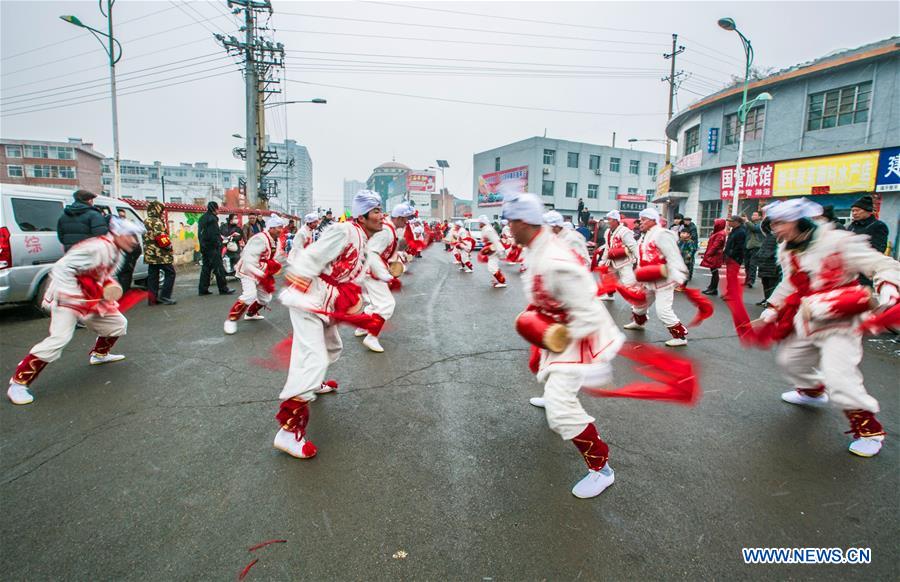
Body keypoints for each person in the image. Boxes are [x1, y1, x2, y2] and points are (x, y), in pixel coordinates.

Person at [750, 199, 899, 457]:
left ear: (801, 221)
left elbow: (883, 264)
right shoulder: (787, 248)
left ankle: (869, 430)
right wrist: (772, 309)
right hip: (807, 317)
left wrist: (888, 288)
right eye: (773, 224)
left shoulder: (840, 242)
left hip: (840, 320)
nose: (775, 229)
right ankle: (812, 392)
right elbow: (790, 283)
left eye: (780, 223)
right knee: (790, 360)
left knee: (838, 376)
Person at [505, 192, 623, 499]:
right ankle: (554, 393)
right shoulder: (535, 248)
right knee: (545, 375)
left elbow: (586, 312)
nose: (507, 228)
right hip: (560, 330)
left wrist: (556, 338)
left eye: (510, 221)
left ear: (523, 222)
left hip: (578, 336)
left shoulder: (555, 260)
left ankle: (602, 470)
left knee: (561, 411)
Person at [275, 191, 384, 459]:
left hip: (326, 302)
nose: (382, 216)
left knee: (332, 349)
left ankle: (316, 382)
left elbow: (356, 277)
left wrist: (357, 299)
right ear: (363, 215)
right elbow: (312, 257)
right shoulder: (345, 230)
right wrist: (300, 287)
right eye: (377, 211)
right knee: (312, 360)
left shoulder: (364, 239)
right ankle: (288, 432)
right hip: (309, 300)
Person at [7, 218, 144, 405]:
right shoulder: (96, 247)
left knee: (117, 324)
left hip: (89, 298)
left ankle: (99, 355)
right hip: (66, 298)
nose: (134, 241)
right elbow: (61, 268)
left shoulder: (115, 251)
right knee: (59, 339)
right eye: (131, 236)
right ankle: (19, 383)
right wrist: (74, 296)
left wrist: (107, 287)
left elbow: (102, 275)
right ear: (118, 234)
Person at [623, 207, 690, 347]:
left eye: (643, 220)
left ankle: (680, 337)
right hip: (648, 279)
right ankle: (639, 323)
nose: (640, 222)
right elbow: (643, 257)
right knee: (639, 304)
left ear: (653, 220)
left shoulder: (661, 234)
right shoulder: (645, 235)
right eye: (640, 219)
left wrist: (679, 277)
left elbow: (674, 256)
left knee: (663, 310)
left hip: (663, 280)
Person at [356, 202, 411, 352]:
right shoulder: (386, 230)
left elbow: (380, 252)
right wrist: (385, 276)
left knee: (376, 303)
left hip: (370, 270)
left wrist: (398, 257)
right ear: (399, 218)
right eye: (406, 218)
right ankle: (371, 337)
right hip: (372, 271)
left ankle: (362, 327)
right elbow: (372, 253)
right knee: (386, 304)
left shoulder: (388, 228)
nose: (407, 221)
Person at [224, 215, 286, 334]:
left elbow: (279, 257)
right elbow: (247, 259)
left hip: (262, 272)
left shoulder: (275, 240)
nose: (281, 230)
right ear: (271, 228)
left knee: (266, 298)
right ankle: (231, 320)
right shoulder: (260, 239)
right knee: (249, 295)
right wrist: (259, 273)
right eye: (279, 227)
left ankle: (250, 313)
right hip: (248, 270)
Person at [598, 210, 638, 301]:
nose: (608, 221)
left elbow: (633, 246)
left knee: (628, 282)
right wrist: (603, 261)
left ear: (616, 220)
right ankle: (610, 295)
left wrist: (639, 259)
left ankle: (637, 302)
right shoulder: (607, 232)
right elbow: (607, 248)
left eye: (610, 219)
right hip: (613, 260)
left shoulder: (624, 231)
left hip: (625, 260)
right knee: (608, 278)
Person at [143, 201, 176, 305]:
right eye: (161, 210)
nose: (162, 212)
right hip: (160, 254)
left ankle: (152, 299)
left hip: (150, 253)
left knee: (153, 276)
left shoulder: (146, 221)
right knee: (170, 273)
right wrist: (169, 246)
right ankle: (165, 296)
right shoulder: (157, 222)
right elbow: (161, 237)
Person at [198, 201, 234, 296]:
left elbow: (200, 234)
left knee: (206, 268)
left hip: (204, 247)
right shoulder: (212, 219)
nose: (218, 210)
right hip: (212, 248)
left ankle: (203, 289)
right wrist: (218, 245)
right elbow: (213, 235)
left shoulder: (202, 218)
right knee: (219, 268)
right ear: (214, 209)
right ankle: (223, 289)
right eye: (217, 208)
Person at [751, 218, 781, 306]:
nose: (772, 226)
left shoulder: (780, 236)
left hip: (772, 265)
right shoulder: (769, 234)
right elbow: (763, 225)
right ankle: (766, 299)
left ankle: (770, 302)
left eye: (774, 224)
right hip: (764, 264)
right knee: (765, 284)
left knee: (772, 285)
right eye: (771, 224)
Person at [476, 214, 508, 288]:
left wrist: (500, 251)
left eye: (480, 223)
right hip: (493, 250)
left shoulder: (488, 230)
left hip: (495, 249)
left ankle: (502, 281)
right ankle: (496, 280)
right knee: (493, 266)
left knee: (492, 266)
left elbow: (495, 240)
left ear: (483, 223)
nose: (479, 224)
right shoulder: (486, 229)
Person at [701, 218, 727, 295]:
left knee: (714, 272)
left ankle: (713, 288)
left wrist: (708, 254)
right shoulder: (719, 233)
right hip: (714, 254)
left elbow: (715, 246)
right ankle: (711, 287)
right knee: (714, 271)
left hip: (715, 255)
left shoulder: (720, 234)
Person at [723, 215, 746, 284]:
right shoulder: (734, 230)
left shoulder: (741, 232)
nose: (729, 223)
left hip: (735, 258)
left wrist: (730, 255)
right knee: (729, 276)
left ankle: (732, 293)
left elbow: (739, 247)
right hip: (730, 257)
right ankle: (729, 292)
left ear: (737, 222)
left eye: (731, 221)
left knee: (732, 276)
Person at [743, 211, 763, 288]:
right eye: (752, 214)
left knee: (752, 264)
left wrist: (747, 221)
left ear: (760, 217)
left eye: (755, 215)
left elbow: (755, 229)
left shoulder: (761, 224)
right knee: (747, 264)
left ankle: (751, 280)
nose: (753, 216)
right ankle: (747, 279)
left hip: (757, 246)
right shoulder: (749, 224)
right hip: (748, 246)